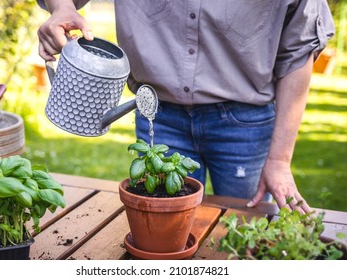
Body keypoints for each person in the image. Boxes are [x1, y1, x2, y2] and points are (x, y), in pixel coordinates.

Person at [36, 0, 335, 213]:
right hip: (158, 115)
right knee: (161, 232)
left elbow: (300, 48)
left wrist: (280, 161)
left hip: (244, 124)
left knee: (245, 231)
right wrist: (61, 8)